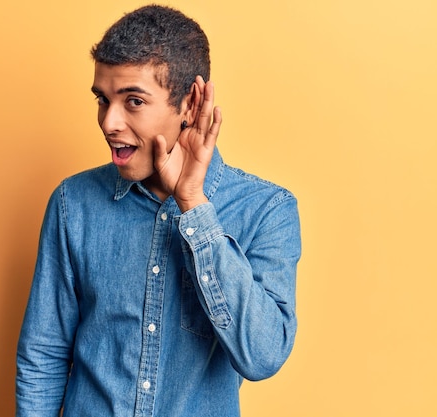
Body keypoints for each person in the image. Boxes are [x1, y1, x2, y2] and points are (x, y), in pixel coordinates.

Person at [15, 5, 301, 416]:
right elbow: (43, 355)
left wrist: (193, 206)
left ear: (189, 103)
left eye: (133, 101)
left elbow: (263, 356)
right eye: (103, 99)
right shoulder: (72, 204)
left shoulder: (265, 210)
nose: (109, 122)